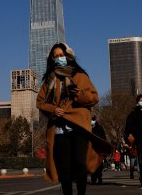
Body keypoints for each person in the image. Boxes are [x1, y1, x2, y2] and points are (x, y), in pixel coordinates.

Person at [36, 42, 111, 195]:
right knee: (64, 168)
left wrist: (78, 94)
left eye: (61, 55)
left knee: (79, 164)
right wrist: (53, 109)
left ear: (68, 56)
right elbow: (40, 102)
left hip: (79, 128)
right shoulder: (50, 79)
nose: (59, 58)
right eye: (55, 56)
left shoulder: (80, 76)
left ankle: (81, 192)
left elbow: (93, 97)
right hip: (59, 130)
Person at [89, 115, 107, 185]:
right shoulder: (88, 128)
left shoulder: (99, 128)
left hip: (98, 149)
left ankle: (99, 177)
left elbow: (104, 138)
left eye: (93, 119)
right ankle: (93, 178)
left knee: (99, 164)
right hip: (91, 149)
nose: (92, 121)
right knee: (92, 164)